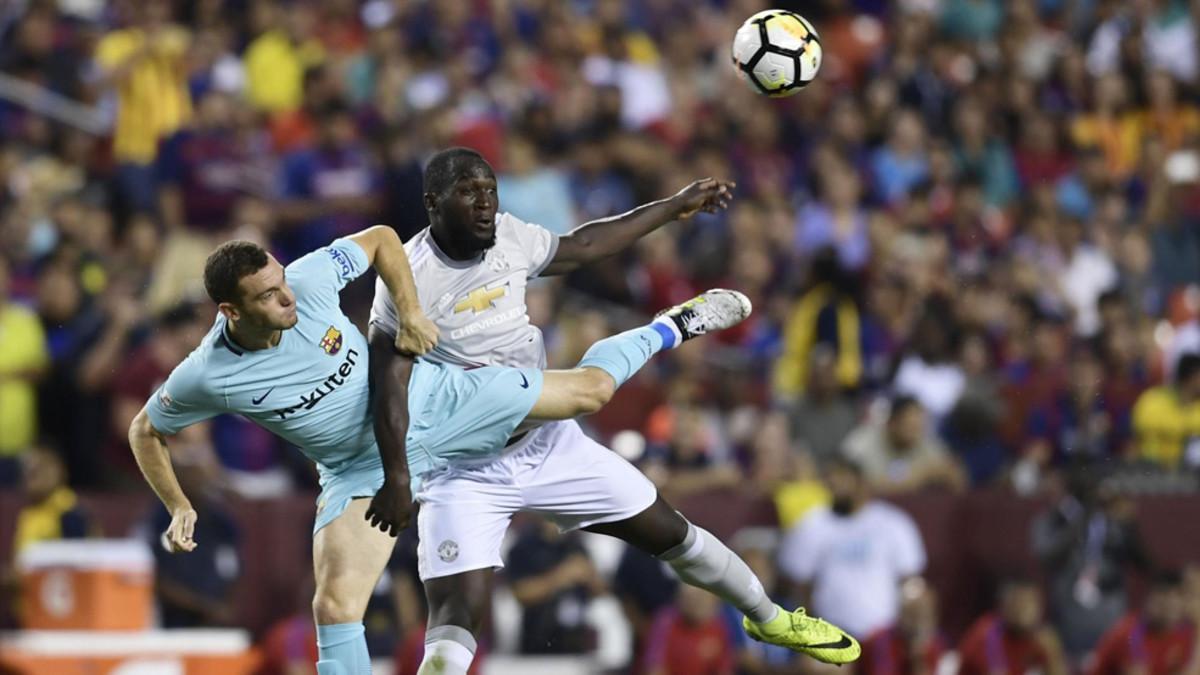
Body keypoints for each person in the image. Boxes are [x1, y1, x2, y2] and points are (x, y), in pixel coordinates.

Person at [366, 148, 861, 674]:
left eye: (490, 189)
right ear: (431, 203)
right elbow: (387, 382)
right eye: (469, 193)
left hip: (547, 439)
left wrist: (673, 206)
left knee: (675, 536)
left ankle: (768, 617)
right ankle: (666, 329)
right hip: (464, 466)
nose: (486, 203)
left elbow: (584, 246)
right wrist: (397, 477)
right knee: (454, 623)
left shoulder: (507, 235)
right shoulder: (408, 279)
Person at [777, 456, 927, 640]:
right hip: (830, 637)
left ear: (861, 482)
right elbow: (798, 586)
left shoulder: (892, 523)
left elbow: (911, 581)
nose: (836, 485)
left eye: (842, 478)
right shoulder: (811, 525)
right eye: (831, 479)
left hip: (884, 637)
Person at [1088, 569, 1198, 675]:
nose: (1170, 605)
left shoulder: (1184, 634)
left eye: (1177, 598)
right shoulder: (1132, 634)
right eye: (1163, 597)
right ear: (1148, 599)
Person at [956, 577, 1068, 675]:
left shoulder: (1038, 637)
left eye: (1032, 603)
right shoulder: (987, 635)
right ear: (1004, 606)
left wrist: (1053, 655)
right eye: (1020, 604)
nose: (1027, 612)